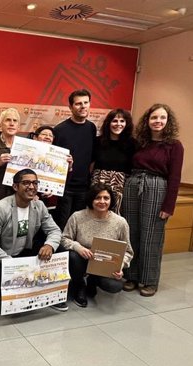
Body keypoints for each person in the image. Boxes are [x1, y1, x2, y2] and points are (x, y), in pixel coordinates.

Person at [122, 104, 184, 297]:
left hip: (157, 187)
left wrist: (169, 205)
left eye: (162, 118)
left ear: (168, 121)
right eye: (154, 117)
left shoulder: (174, 145)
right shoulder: (139, 142)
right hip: (133, 185)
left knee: (152, 235)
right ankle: (131, 275)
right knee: (131, 231)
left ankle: (149, 280)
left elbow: (175, 177)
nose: (158, 121)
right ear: (147, 121)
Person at [0, 169, 64, 310]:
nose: (32, 187)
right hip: (3, 258)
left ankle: (51, 293)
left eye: (35, 183)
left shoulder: (39, 206)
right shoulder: (0, 208)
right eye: (26, 183)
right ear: (15, 186)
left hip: (25, 252)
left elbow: (55, 230)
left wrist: (49, 245)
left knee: (59, 249)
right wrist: (14, 265)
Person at [61, 183, 134, 308]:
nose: (102, 201)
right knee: (73, 256)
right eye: (98, 198)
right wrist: (78, 247)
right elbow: (64, 239)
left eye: (106, 198)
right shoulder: (77, 216)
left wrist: (120, 265)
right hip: (81, 260)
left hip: (105, 264)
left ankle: (92, 281)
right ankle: (80, 286)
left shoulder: (120, 222)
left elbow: (128, 252)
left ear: (111, 200)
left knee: (114, 286)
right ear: (91, 199)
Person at [53, 89, 97, 230]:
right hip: (65, 188)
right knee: (63, 226)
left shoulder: (91, 128)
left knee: (79, 227)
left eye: (86, 102)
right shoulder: (60, 130)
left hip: (84, 188)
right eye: (78, 103)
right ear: (70, 107)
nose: (83, 106)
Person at [92, 109, 137, 214]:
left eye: (122, 121)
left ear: (127, 124)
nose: (118, 124)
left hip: (121, 191)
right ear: (108, 123)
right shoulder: (98, 141)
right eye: (115, 121)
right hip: (97, 188)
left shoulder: (133, 144)